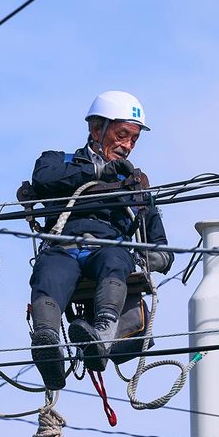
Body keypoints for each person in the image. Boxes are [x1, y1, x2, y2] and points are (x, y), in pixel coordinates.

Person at [28, 91, 173, 389]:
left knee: (115, 258)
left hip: (109, 249)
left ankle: (102, 337)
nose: (127, 146)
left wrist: (154, 258)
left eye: (134, 139)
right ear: (96, 129)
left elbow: (159, 242)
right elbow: (43, 179)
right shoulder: (57, 161)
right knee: (50, 270)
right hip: (63, 245)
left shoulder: (134, 183)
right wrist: (98, 172)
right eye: (122, 135)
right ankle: (47, 343)